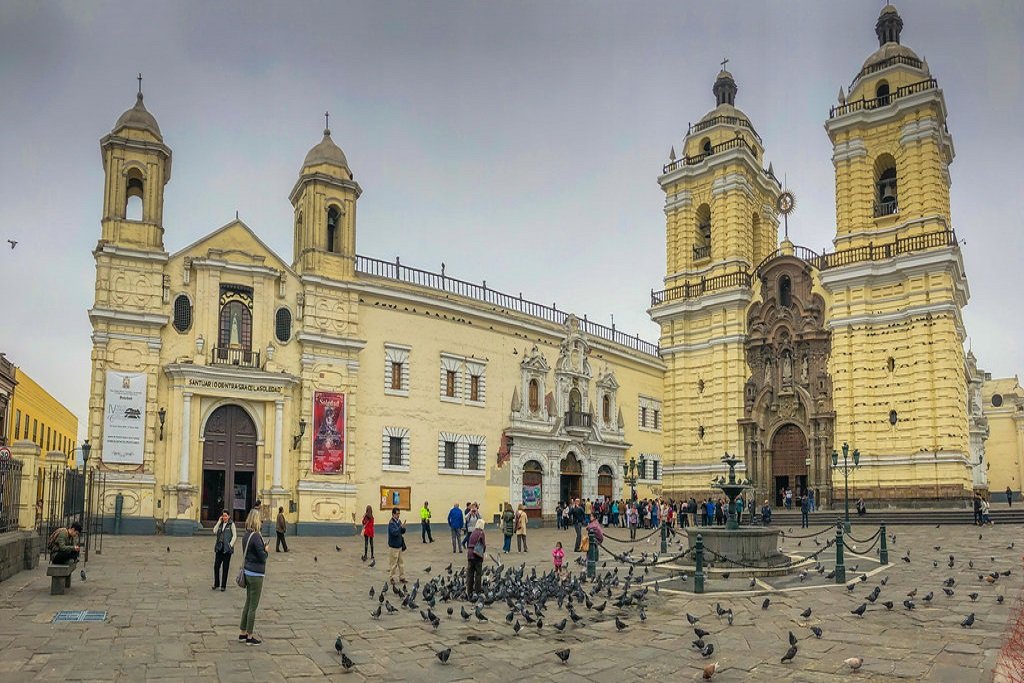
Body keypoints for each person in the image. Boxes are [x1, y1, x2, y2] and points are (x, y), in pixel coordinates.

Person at [238, 508, 267, 645]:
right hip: (256, 574)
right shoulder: (256, 536)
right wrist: (266, 550)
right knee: (253, 606)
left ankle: (242, 633)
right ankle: (250, 636)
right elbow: (262, 557)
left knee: (248, 603)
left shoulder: (246, 535)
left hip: (247, 572)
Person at [212, 510, 236, 591]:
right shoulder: (220, 524)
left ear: (229, 516)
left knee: (225, 568)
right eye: (223, 516)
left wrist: (230, 545)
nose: (224, 517)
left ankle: (223, 586)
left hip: (227, 549)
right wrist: (219, 522)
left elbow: (234, 536)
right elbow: (214, 531)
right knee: (216, 566)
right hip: (219, 548)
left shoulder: (231, 524)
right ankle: (216, 583)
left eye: (226, 516)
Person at [466, 519, 486, 597]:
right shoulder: (481, 533)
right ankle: (477, 591)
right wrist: (483, 552)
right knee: (478, 574)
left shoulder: (473, 532)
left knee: (470, 574)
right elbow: (483, 545)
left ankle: (469, 591)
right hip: (477, 555)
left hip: (470, 554)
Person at [387, 507, 407, 584]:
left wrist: (403, 528)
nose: (398, 515)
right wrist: (400, 528)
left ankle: (402, 577)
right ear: (393, 514)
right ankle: (391, 577)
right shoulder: (391, 523)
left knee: (401, 563)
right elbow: (394, 533)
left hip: (399, 546)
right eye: (397, 513)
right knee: (393, 564)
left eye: (399, 513)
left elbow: (401, 532)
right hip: (393, 547)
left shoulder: (399, 522)